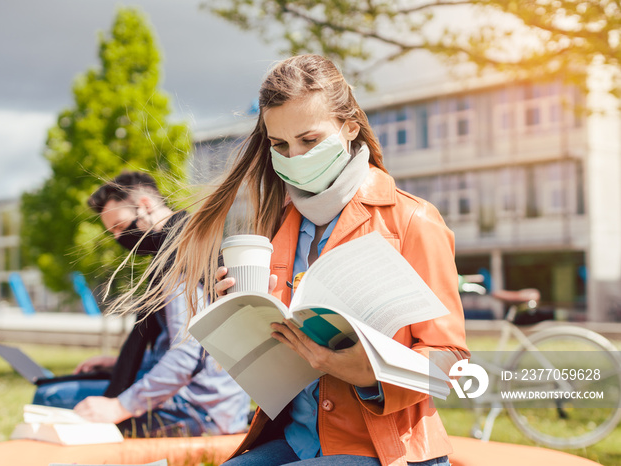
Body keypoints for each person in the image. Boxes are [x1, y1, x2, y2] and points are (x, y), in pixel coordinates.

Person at [133, 54, 469, 464]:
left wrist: (367, 373)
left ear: (349, 127)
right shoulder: (278, 224)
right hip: (298, 439)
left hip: (383, 450)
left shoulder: (413, 219)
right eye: (280, 145)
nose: (293, 158)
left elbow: (449, 361)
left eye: (309, 141)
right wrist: (238, 316)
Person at [33, 171, 251, 438]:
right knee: (70, 387)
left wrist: (119, 407)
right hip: (217, 403)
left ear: (145, 205)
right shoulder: (190, 242)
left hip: (200, 410)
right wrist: (117, 363)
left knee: (50, 396)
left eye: (119, 226)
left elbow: (186, 357)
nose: (117, 238)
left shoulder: (178, 260)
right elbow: (187, 347)